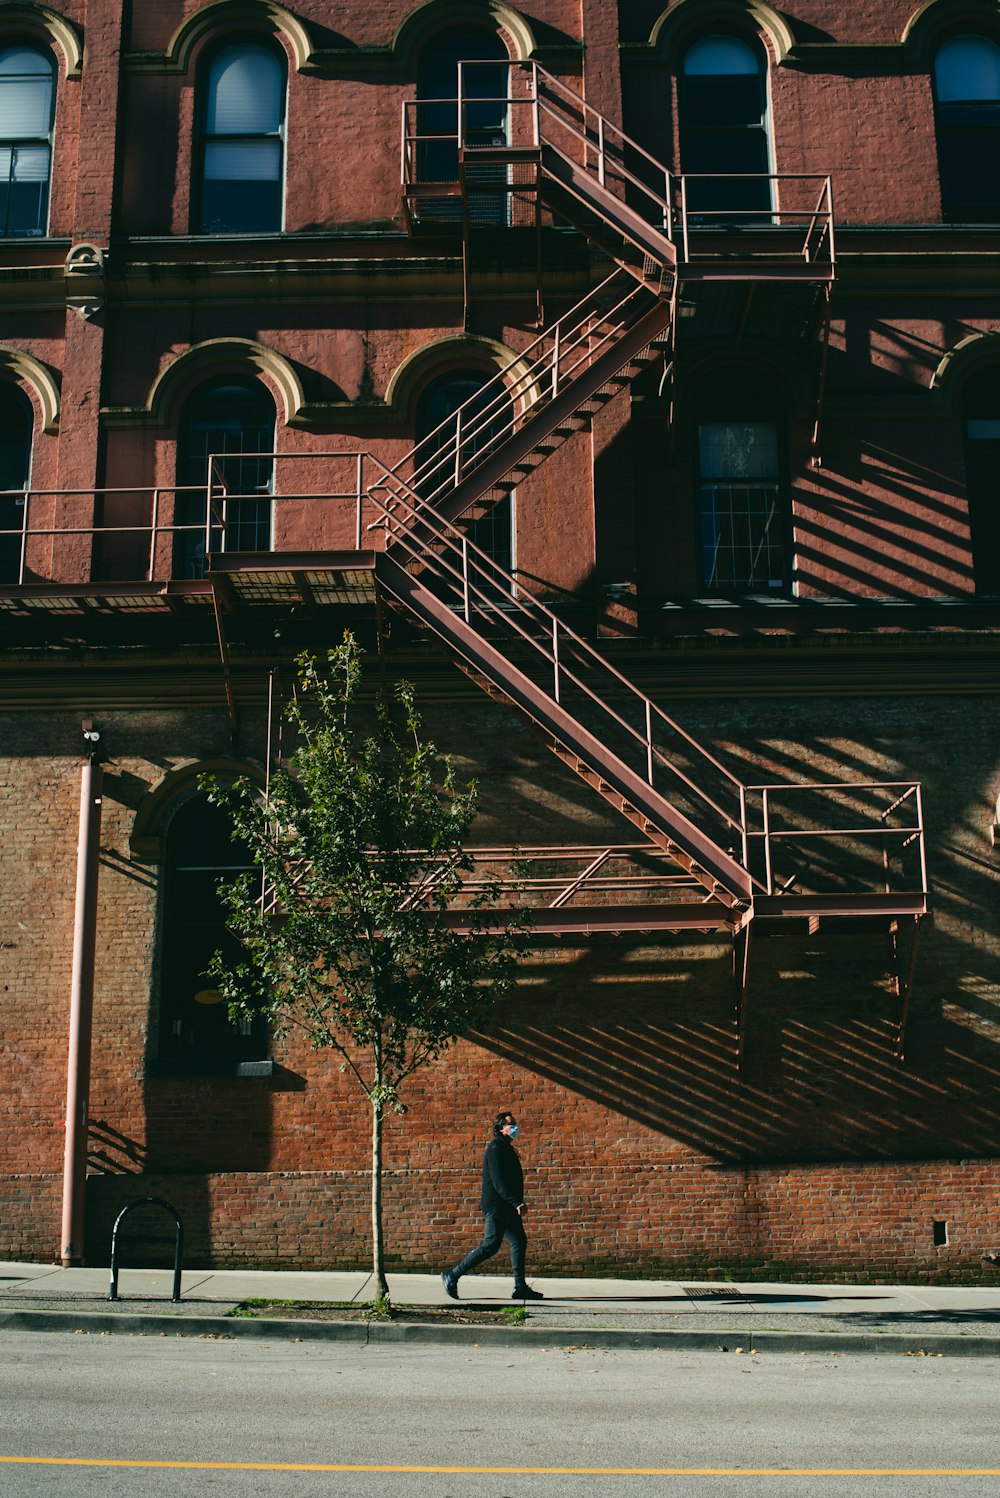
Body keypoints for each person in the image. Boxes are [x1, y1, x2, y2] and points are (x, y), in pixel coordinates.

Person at [442, 1110, 543, 1302]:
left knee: (519, 1240)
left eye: (515, 1124)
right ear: (500, 1128)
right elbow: (499, 1182)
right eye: (511, 1124)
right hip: (498, 1206)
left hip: (507, 1207)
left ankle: (520, 1287)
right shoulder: (496, 1148)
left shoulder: (505, 1147)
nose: (515, 1127)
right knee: (490, 1245)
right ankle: (452, 1275)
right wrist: (516, 1202)